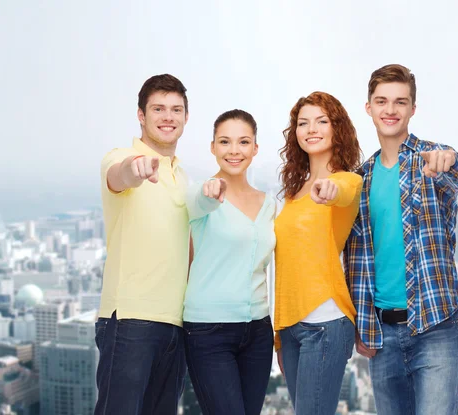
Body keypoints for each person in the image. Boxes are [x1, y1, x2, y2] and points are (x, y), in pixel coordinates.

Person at [344, 64, 458, 415]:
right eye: (382, 101)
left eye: (400, 102)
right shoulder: (361, 179)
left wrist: (448, 160)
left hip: (435, 325)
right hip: (382, 332)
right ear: (368, 107)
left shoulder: (431, 158)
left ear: (413, 109)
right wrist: (362, 324)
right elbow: (358, 261)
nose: (390, 110)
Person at [95, 74, 190, 414]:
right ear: (141, 115)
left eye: (176, 109)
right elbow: (119, 176)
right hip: (130, 321)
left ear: (185, 118)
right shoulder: (122, 155)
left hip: (175, 325)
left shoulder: (183, 176)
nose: (168, 117)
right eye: (158, 109)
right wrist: (135, 169)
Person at [274, 91, 363, 414]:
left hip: (326, 325)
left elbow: (342, 192)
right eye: (303, 123)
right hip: (292, 328)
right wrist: (280, 335)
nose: (311, 129)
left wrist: (329, 189)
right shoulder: (293, 191)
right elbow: (286, 266)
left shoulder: (347, 181)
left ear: (336, 128)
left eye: (321, 121)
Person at [183, 109, 275, 415]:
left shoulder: (271, 204)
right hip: (209, 332)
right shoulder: (200, 196)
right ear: (212, 147)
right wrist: (210, 191)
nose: (234, 150)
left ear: (255, 148)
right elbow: (198, 199)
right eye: (225, 142)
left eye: (243, 142)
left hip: (259, 332)